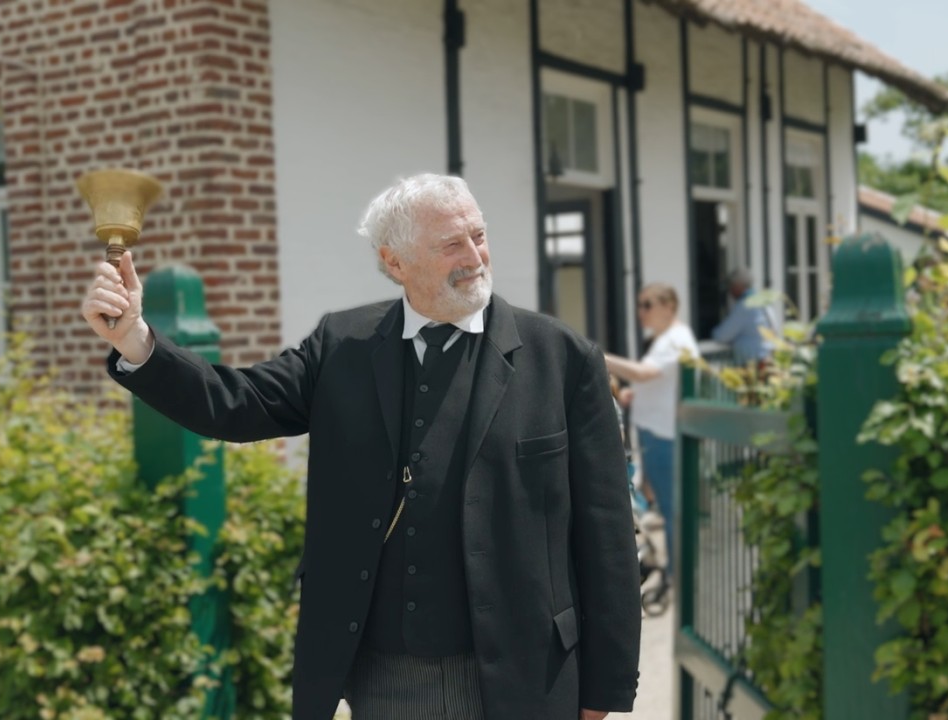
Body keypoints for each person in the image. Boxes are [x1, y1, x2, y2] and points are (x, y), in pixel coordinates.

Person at [82, 173, 641, 720]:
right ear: (394, 262)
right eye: (450, 244)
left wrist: (606, 689)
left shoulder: (563, 358)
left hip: (527, 674)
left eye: (478, 234)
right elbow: (237, 402)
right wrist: (135, 340)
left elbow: (607, 536)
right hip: (385, 676)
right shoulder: (340, 344)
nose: (475, 255)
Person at [602, 284, 700, 575]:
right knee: (661, 502)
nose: (640, 312)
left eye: (647, 305)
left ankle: (680, 573)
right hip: (656, 434)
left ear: (668, 306)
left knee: (672, 507)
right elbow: (656, 380)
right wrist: (634, 394)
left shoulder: (675, 340)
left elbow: (644, 373)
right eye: (640, 305)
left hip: (663, 436)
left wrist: (597, 356)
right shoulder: (665, 340)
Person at [710, 268, 773, 365]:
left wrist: (712, 333)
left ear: (738, 286)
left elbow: (723, 335)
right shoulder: (763, 301)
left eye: (731, 286)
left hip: (755, 363)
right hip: (769, 357)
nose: (730, 291)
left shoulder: (745, 305)